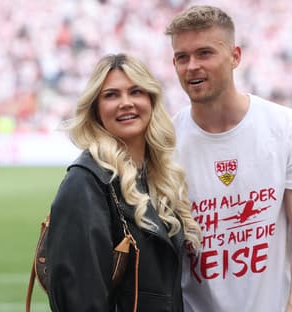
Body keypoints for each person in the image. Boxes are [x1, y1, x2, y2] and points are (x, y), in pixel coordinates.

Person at [165, 5, 292, 312]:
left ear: (235, 56)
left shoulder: (287, 128)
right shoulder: (165, 141)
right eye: (181, 57)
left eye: (204, 53)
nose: (191, 66)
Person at [46, 53, 201, 311]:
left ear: (150, 100)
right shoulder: (86, 182)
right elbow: (80, 299)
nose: (125, 103)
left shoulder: (157, 176)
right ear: (95, 108)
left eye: (136, 92)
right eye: (111, 95)